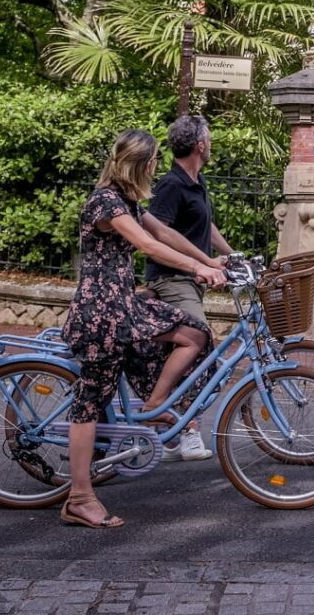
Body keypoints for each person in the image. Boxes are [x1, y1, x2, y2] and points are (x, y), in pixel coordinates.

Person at [60, 129, 228, 530]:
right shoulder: (106, 202)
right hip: (102, 311)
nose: (157, 167)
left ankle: (153, 407)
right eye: (154, 162)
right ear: (144, 164)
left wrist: (211, 260)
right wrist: (198, 269)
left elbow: (165, 234)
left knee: (193, 334)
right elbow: (149, 247)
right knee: (89, 398)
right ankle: (79, 497)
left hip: (121, 303)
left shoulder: (127, 202)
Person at [144, 115, 234, 461]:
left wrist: (228, 255)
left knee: (178, 351)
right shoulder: (171, 185)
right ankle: (188, 430)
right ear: (200, 146)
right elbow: (161, 234)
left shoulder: (196, 182)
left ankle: (166, 434)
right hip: (171, 281)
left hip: (189, 281)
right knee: (199, 341)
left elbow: (205, 227)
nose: (210, 146)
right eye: (208, 140)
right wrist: (203, 263)